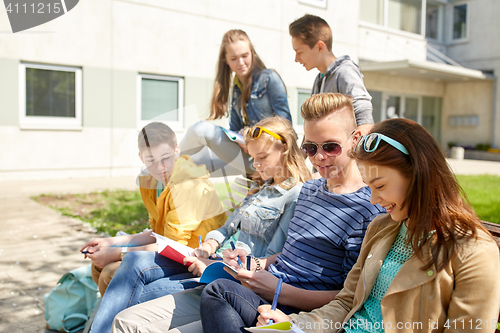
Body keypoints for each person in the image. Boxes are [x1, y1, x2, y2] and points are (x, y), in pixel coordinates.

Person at [110, 93, 385, 333]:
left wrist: (275, 289)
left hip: (285, 306)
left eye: (330, 147)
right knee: (126, 320)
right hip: (258, 291)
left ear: (355, 139)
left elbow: (349, 297)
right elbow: (287, 256)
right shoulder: (312, 190)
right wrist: (253, 263)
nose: (318, 157)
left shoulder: (367, 208)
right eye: (310, 148)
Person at [256, 118, 500, 332]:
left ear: (418, 174)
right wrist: (295, 326)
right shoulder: (382, 228)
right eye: (368, 186)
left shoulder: (473, 252)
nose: (373, 199)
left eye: (380, 186)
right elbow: (346, 303)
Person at [88, 116, 311, 333]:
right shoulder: (259, 190)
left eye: (262, 157)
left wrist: (219, 265)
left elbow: (273, 259)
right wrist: (209, 246)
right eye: (253, 158)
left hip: (230, 278)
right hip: (211, 262)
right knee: (131, 265)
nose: (256, 165)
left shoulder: (295, 196)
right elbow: (226, 229)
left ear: (285, 148)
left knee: (124, 287)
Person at [80, 122, 227, 296]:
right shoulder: (149, 182)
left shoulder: (188, 184)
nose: (159, 167)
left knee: (111, 273)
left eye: (165, 158)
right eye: (151, 160)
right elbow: (158, 233)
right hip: (171, 248)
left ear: (177, 151)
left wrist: (118, 253)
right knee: (98, 265)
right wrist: (111, 243)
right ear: (141, 157)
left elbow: (173, 245)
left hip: (195, 256)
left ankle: (118, 320)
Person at [179, 29, 292, 178]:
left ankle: (165, 165)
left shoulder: (270, 79)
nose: (240, 63)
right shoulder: (237, 88)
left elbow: (286, 127)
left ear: (252, 53)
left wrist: (251, 134)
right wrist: (239, 136)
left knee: (200, 130)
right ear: (225, 60)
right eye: (233, 58)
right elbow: (234, 129)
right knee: (189, 164)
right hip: (248, 155)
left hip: (267, 159)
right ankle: (159, 170)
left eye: (245, 56)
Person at [289, 14, 373, 135]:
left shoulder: (345, 72)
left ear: (319, 47)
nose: (296, 59)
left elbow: (364, 117)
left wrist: (357, 152)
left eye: (299, 52)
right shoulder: (319, 80)